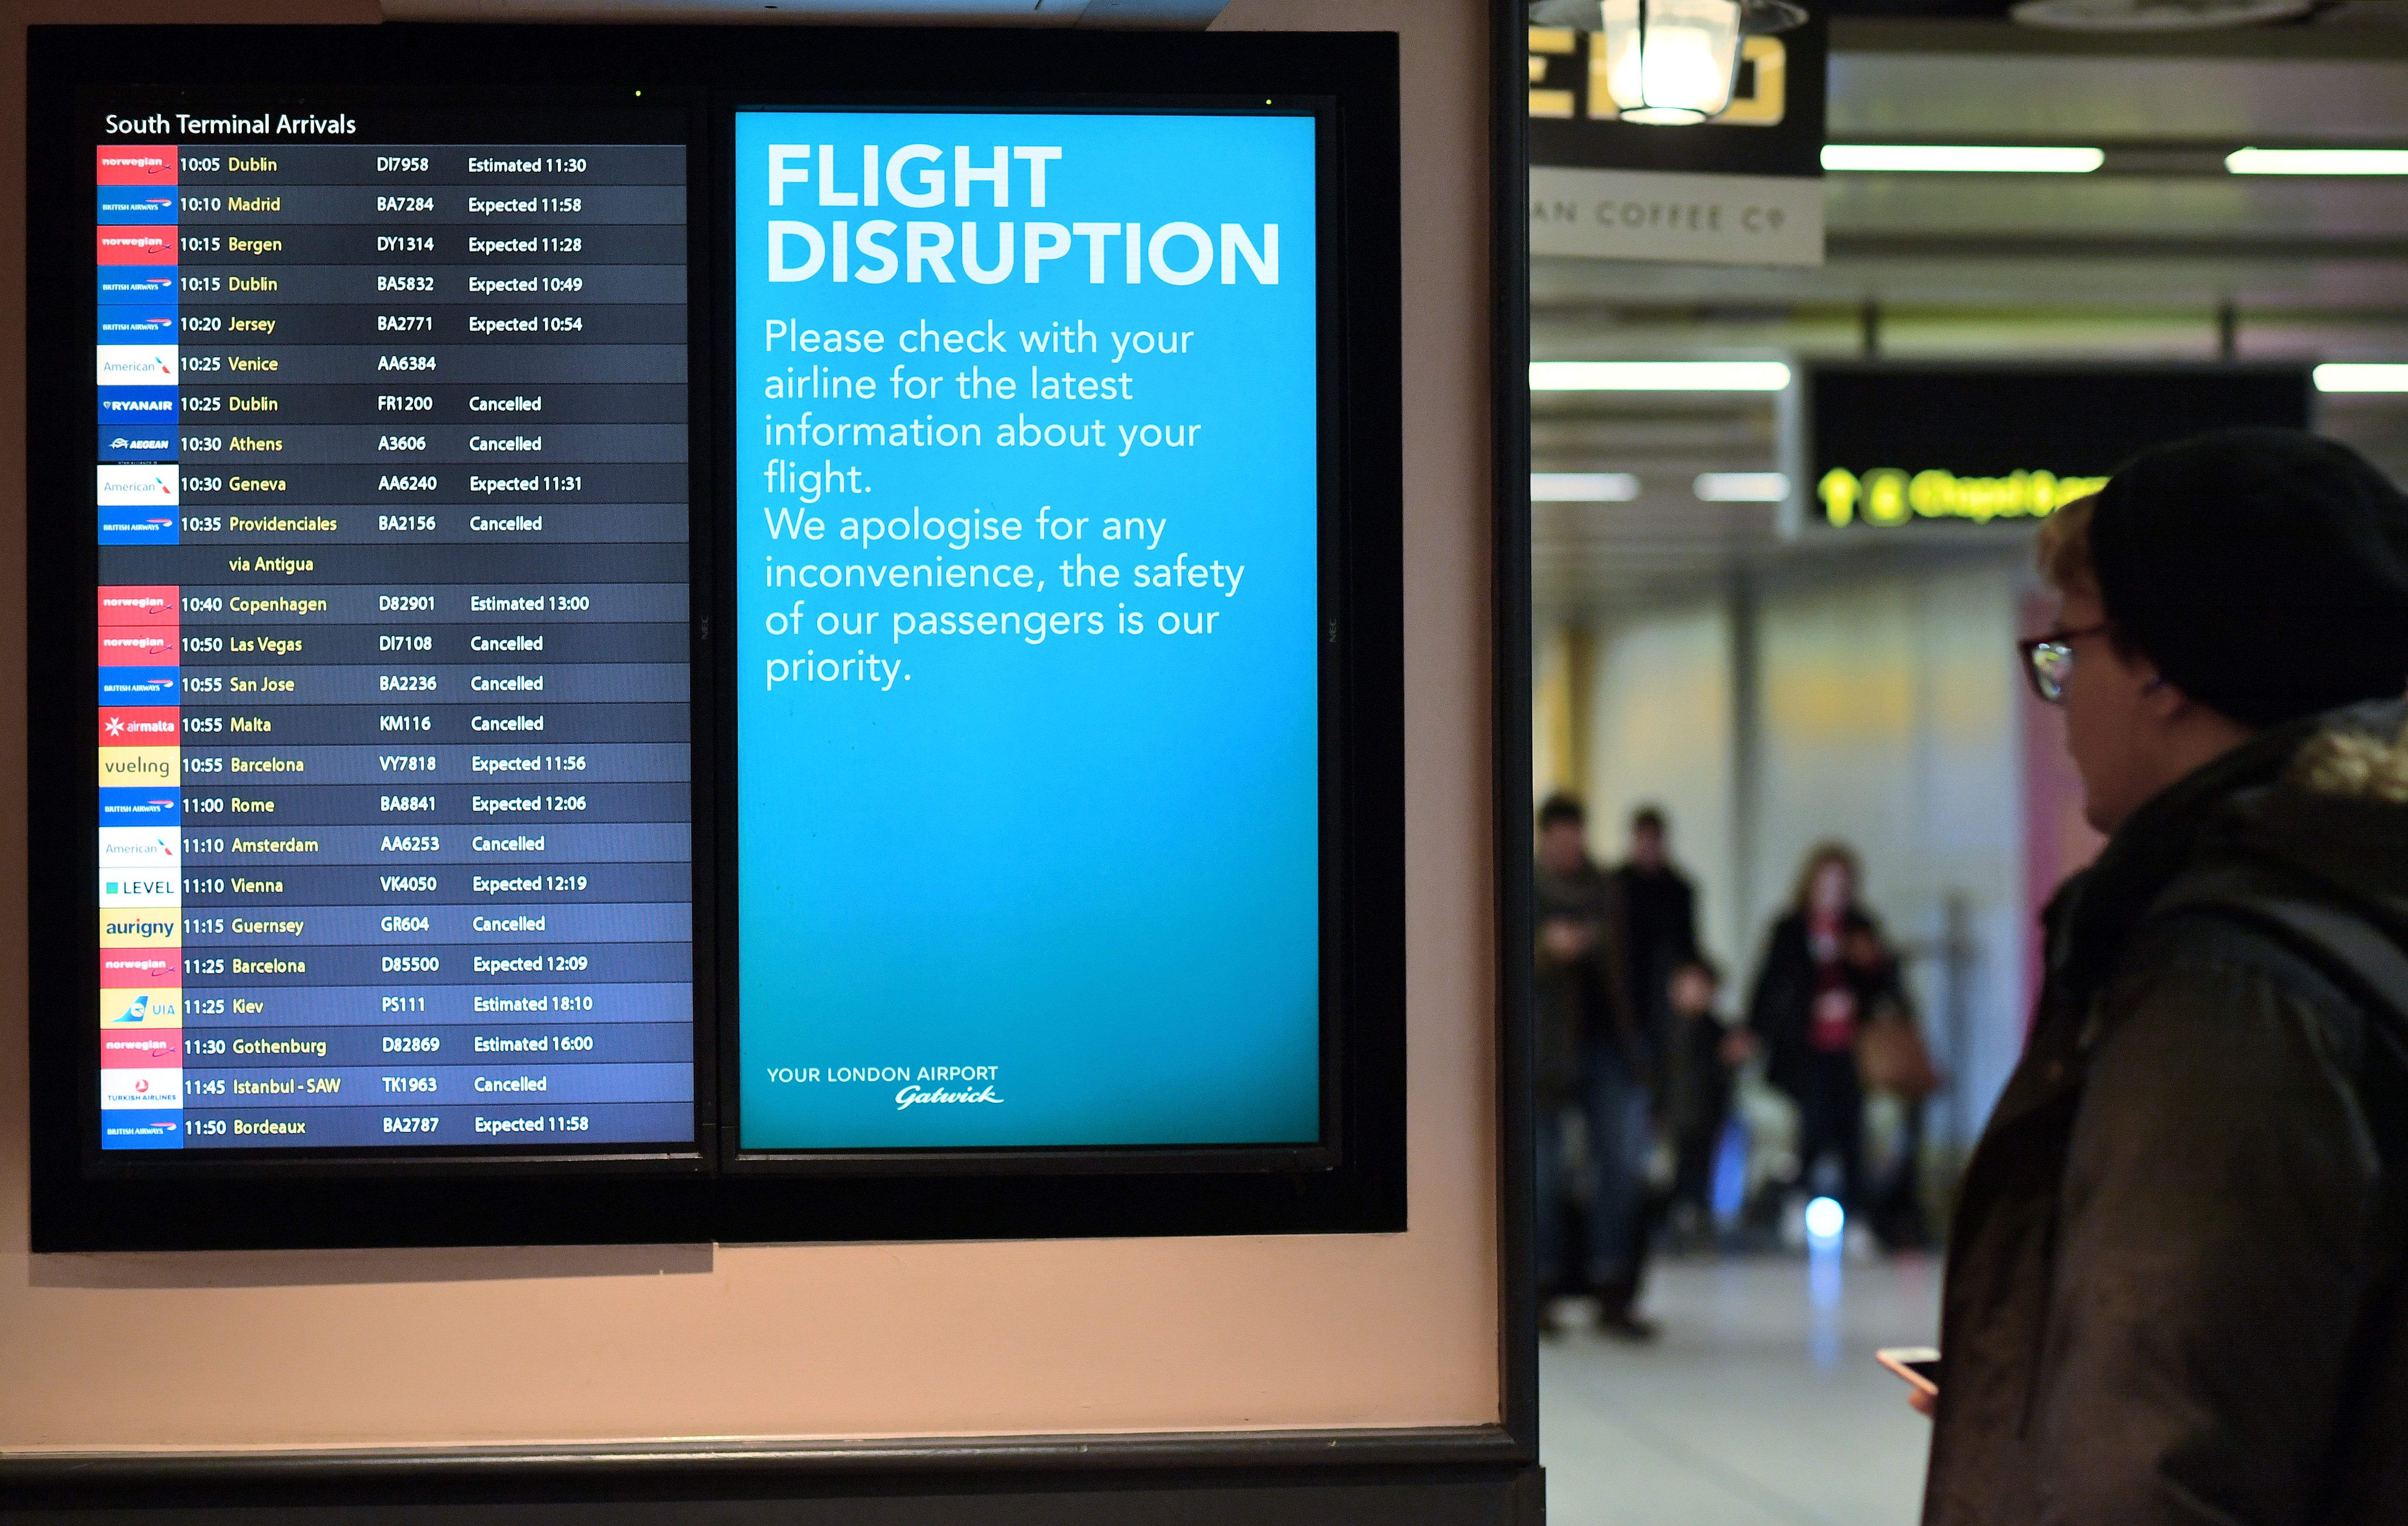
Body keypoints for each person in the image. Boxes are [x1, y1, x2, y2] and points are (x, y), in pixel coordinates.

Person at [1922, 429, 2408, 1523]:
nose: (2060, 697)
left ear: (2157, 666)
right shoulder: (2366, 895)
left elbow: (2153, 1458)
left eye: (2068, 649)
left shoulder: (2229, 992)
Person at [1531, 792, 1654, 1338]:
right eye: (1557, 838)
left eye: (1574, 836)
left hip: (1607, 1045)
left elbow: (1635, 966)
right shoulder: (1523, 886)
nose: (1567, 848)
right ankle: (1538, 1289)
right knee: (1541, 1172)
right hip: (1542, 1051)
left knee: (1621, 1167)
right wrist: (1544, 949)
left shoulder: (1610, 890)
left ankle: (1613, 1286)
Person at [1747, 843, 1906, 1221]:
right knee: (1814, 1119)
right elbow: (1767, 992)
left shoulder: (1862, 930)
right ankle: (1799, 1197)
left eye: (1841, 883)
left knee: (1852, 1123)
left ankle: (1858, 1212)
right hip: (1803, 1051)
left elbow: (1891, 989)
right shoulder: (1789, 930)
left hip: (1852, 1051)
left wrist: (1864, 977)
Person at [1662, 956, 1752, 1242]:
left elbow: (1728, 1067)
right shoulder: (1662, 1028)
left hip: (1708, 1115)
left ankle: (1699, 1221)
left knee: (1704, 1170)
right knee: (1678, 1171)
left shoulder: (1716, 1029)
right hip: (1673, 1116)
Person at [1614, 805, 1701, 1055]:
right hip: (1622, 1004)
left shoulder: (1680, 890)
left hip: (1665, 1004)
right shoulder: (1616, 887)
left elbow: (1688, 945)